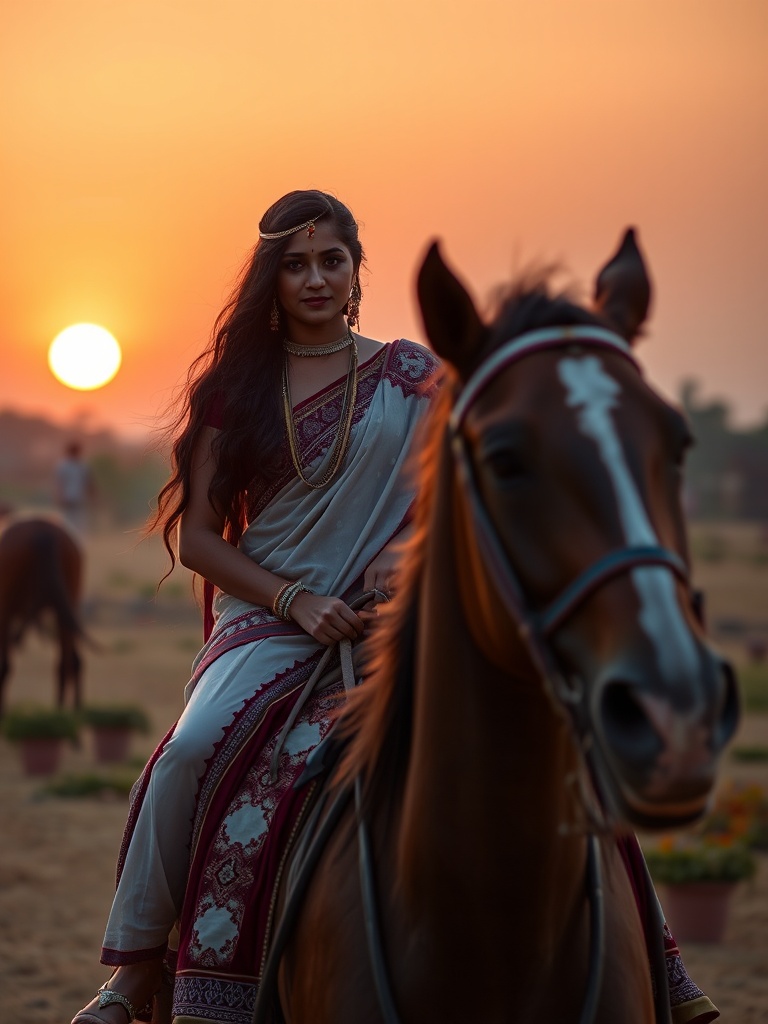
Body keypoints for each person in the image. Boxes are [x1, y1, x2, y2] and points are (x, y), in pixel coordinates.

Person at [72, 189, 440, 1024]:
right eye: (295, 263)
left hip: (395, 616)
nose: (316, 278)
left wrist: (399, 560)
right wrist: (296, 599)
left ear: (356, 271)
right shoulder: (236, 392)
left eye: (332, 260)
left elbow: (453, 499)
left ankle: (648, 963)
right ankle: (135, 973)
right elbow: (200, 538)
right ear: (270, 280)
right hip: (270, 620)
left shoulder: (415, 379)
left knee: (538, 717)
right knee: (189, 748)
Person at [54, 440, 94, 535]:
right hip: (68, 500)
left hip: (78, 499)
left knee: (79, 525)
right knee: (68, 525)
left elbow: (88, 482)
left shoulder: (82, 466)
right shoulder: (64, 466)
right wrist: (59, 497)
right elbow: (59, 483)